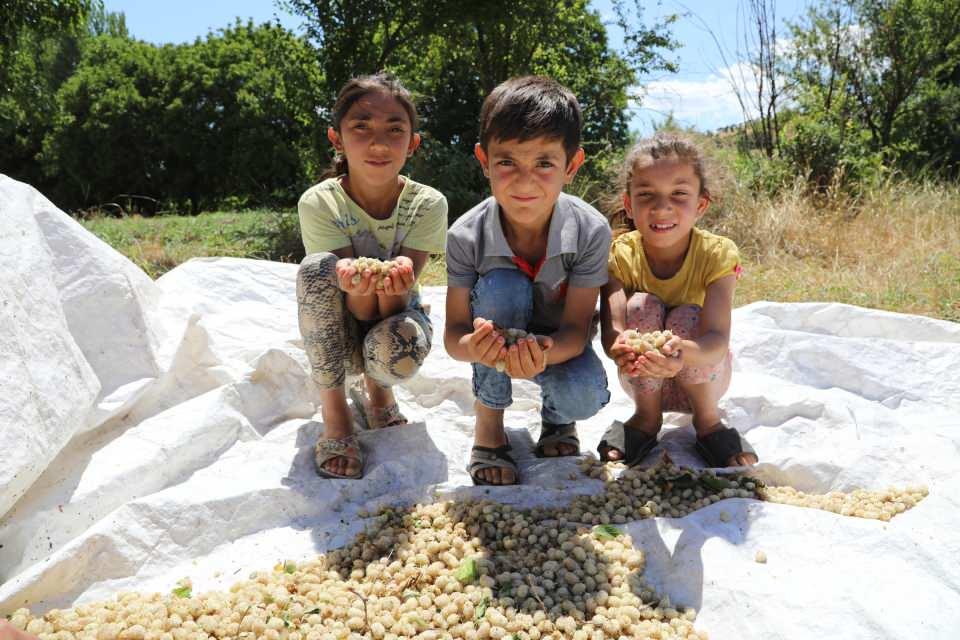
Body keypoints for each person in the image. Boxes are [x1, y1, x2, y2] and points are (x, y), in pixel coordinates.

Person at [444, 76, 612, 486]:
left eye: (544, 163)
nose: (524, 181)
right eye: (507, 162)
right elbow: (454, 335)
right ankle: (489, 430)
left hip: (555, 344)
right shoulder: (466, 236)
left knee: (586, 394)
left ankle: (558, 421)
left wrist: (542, 352)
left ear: (571, 166)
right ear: (484, 161)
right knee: (503, 286)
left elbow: (575, 330)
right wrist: (477, 348)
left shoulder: (590, 230)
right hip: (496, 338)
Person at [297, 73, 447, 479]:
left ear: (412, 144)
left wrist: (395, 285)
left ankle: (380, 393)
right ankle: (336, 416)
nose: (378, 143)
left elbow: (399, 300)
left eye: (394, 130)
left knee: (396, 350)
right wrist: (356, 285)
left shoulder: (428, 204)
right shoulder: (319, 202)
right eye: (361, 127)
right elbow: (350, 300)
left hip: (396, 316)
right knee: (315, 269)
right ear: (337, 139)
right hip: (338, 329)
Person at [598, 133, 757, 468]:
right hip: (643, 379)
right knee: (641, 305)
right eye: (647, 195)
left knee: (686, 315)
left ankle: (708, 422)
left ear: (701, 205)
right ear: (629, 204)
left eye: (679, 194)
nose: (662, 207)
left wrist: (679, 354)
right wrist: (621, 345)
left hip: (704, 379)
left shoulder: (717, 254)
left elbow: (716, 340)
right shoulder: (620, 252)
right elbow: (612, 326)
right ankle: (646, 418)